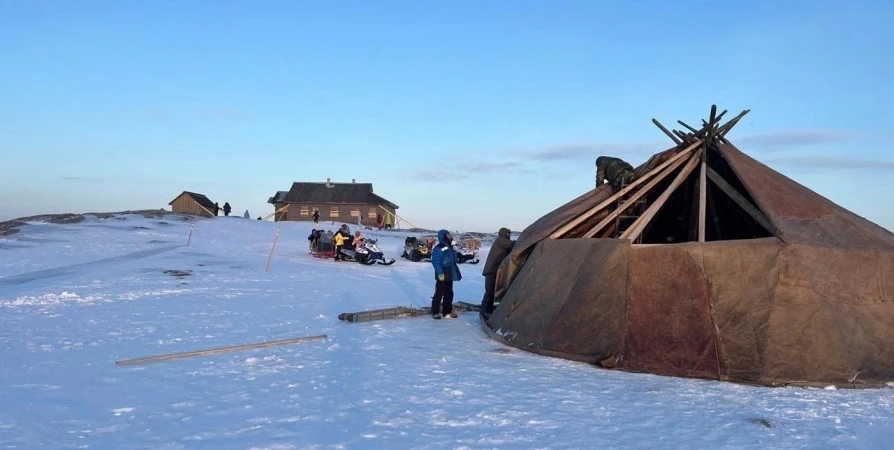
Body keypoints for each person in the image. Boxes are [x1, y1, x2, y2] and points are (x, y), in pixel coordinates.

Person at [481, 227, 515, 314]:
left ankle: (489, 309)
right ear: (503, 234)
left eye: (509, 233)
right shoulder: (500, 240)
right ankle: (485, 311)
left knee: (494, 291)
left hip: (496, 271)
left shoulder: (502, 241)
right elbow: (513, 245)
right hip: (491, 270)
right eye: (507, 233)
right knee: (490, 291)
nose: (509, 235)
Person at [430, 229, 462, 319]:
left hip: (450, 272)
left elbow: (452, 259)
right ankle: (435, 311)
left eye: (450, 236)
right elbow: (436, 261)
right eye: (448, 236)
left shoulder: (449, 247)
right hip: (442, 272)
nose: (450, 237)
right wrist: (440, 273)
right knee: (439, 293)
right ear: (443, 237)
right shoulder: (439, 248)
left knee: (449, 293)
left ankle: (447, 312)